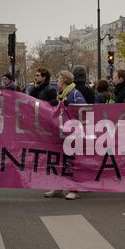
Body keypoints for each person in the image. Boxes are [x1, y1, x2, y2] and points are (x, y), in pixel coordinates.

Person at [45, 71, 86, 201]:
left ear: (63, 82)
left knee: (72, 162)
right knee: (59, 160)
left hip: (73, 133)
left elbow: (84, 109)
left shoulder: (75, 93)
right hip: (62, 133)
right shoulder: (61, 95)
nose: (57, 82)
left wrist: (70, 106)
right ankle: (58, 187)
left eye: (58, 79)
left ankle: (73, 189)